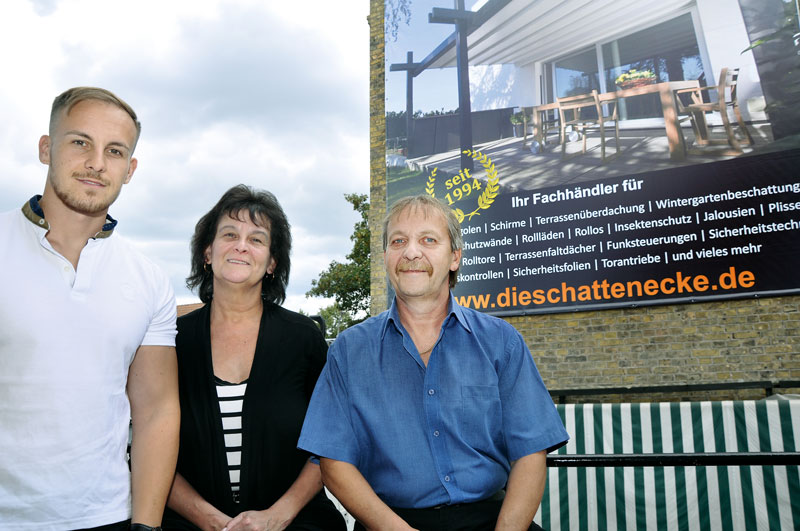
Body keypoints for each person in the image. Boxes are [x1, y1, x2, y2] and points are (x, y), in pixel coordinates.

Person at [298, 194, 569, 531]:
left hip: (493, 520)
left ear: (454, 257)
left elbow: (530, 454)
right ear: (385, 257)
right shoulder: (348, 351)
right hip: (388, 523)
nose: (411, 252)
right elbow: (333, 460)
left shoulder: (502, 342)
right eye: (399, 241)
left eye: (428, 239)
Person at [0, 87, 180, 530]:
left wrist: (146, 525)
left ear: (130, 168)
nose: (97, 162)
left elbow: (156, 410)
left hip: (107, 518)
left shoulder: (149, 279)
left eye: (114, 150)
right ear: (46, 148)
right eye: (80, 142)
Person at [163, 185, 346, 531]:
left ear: (272, 263)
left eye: (257, 239)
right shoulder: (171, 340)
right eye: (229, 234)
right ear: (207, 252)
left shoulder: (303, 339)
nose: (241, 245)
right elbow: (148, 447)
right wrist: (211, 521)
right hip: (188, 524)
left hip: (296, 523)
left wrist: (278, 516)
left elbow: (332, 442)